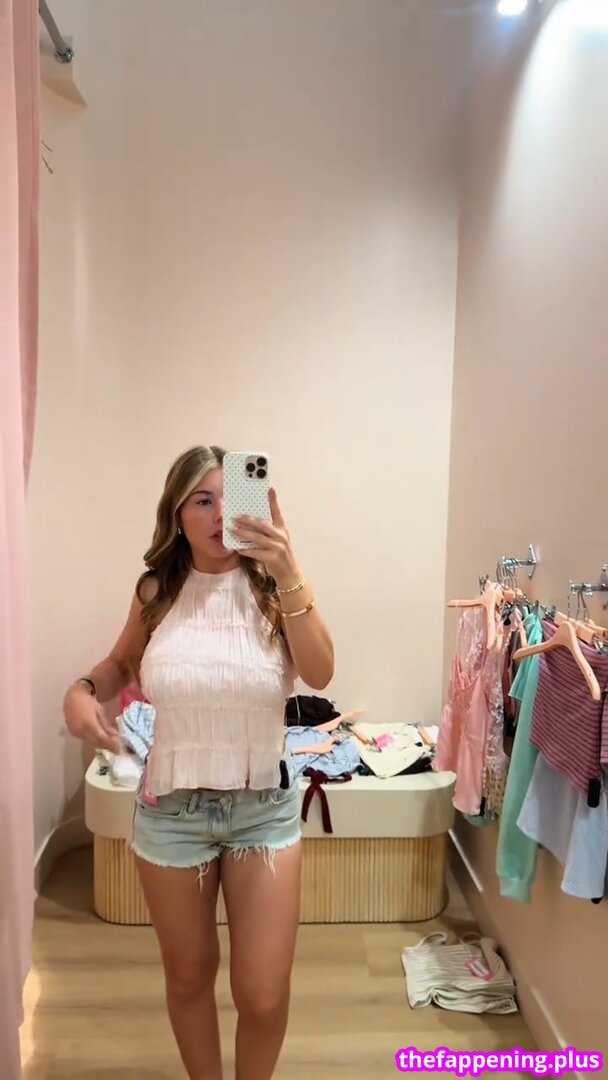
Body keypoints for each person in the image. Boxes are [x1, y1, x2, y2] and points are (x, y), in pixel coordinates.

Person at [63, 444, 334, 1080]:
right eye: (202, 501)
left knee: (263, 995)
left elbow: (320, 672)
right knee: (188, 978)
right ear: (177, 514)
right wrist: (82, 691)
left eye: (231, 499)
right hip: (171, 812)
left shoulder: (275, 588)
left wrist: (289, 567)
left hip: (261, 808)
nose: (219, 516)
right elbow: (119, 664)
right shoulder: (157, 591)